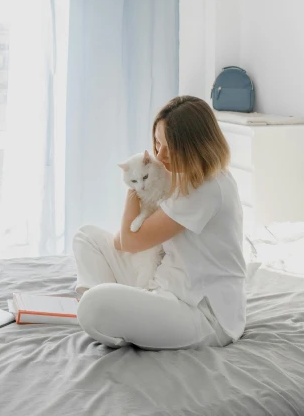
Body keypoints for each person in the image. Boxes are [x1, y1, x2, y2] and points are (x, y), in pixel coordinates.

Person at [73, 96, 246, 350]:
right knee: (85, 236)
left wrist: (133, 185)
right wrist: (136, 177)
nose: (160, 155)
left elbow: (130, 241)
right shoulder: (187, 174)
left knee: (92, 305)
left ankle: (115, 318)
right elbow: (122, 241)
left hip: (202, 312)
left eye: (170, 147)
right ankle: (122, 315)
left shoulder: (205, 188)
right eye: (157, 143)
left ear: (194, 145)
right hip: (163, 285)